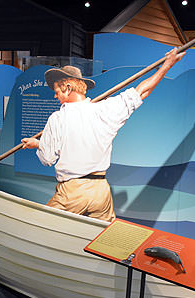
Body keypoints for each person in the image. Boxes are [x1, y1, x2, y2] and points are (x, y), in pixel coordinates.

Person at [21, 48, 184, 221]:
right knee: (100, 240)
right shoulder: (105, 109)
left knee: (42, 226)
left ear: (68, 88)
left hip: (72, 192)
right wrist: (168, 64)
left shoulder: (57, 118)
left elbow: (48, 158)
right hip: (101, 192)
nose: (55, 96)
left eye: (57, 91)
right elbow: (142, 91)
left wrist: (38, 144)